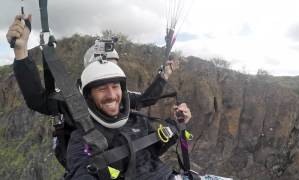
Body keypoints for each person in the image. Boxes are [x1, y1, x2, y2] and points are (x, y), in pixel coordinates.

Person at [7, 15, 192, 179]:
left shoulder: (124, 101)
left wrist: (164, 76)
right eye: (102, 84)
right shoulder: (75, 101)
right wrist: (21, 52)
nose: (111, 93)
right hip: (94, 159)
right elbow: (37, 99)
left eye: (115, 80)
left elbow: (145, 99)